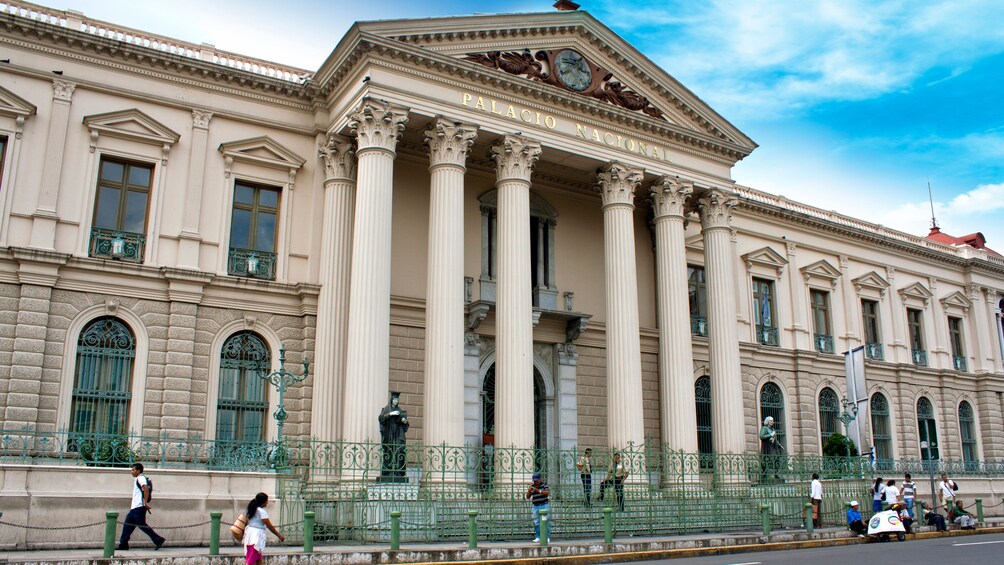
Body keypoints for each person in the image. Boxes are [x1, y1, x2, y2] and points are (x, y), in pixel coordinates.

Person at [118, 463, 165, 551]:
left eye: (133, 470)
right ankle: (123, 544)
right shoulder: (138, 478)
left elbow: (145, 488)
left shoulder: (141, 478)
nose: (132, 472)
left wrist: (145, 502)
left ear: (138, 470)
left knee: (142, 525)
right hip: (135, 507)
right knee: (127, 525)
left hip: (139, 507)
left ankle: (158, 540)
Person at [242, 492, 284, 564]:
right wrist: (279, 535)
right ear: (263, 502)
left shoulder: (252, 509)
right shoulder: (261, 512)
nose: (267, 502)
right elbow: (269, 526)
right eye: (267, 500)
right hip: (256, 537)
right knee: (251, 560)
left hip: (250, 535)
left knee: (258, 558)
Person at [378, 391, 410, 482]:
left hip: (398, 433)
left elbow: (405, 424)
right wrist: (390, 414)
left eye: (397, 399)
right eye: (395, 399)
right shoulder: (387, 409)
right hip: (389, 434)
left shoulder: (400, 410)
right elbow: (381, 418)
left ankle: (398, 471)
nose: (396, 401)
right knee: (389, 450)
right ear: (391, 399)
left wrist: (405, 421)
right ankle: (387, 471)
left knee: (399, 450)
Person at [525, 472, 550, 542]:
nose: (535, 482)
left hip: (544, 505)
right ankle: (538, 536)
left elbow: (547, 493)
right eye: (534, 481)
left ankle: (547, 536)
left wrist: (538, 491)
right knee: (536, 522)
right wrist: (529, 491)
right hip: (536, 506)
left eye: (536, 480)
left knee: (545, 521)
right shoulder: (532, 486)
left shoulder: (544, 485)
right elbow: (527, 497)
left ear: (539, 479)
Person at [759, 416, 782, 482]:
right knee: (767, 460)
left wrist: (779, 445)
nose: (772, 422)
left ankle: (776, 474)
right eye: (771, 421)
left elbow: (775, 439)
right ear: (767, 421)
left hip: (773, 447)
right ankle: (766, 474)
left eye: (773, 421)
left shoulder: (772, 429)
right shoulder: (764, 428)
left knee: (776, 459)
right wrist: (770, 435)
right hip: (767, 447)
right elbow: (761, 436)